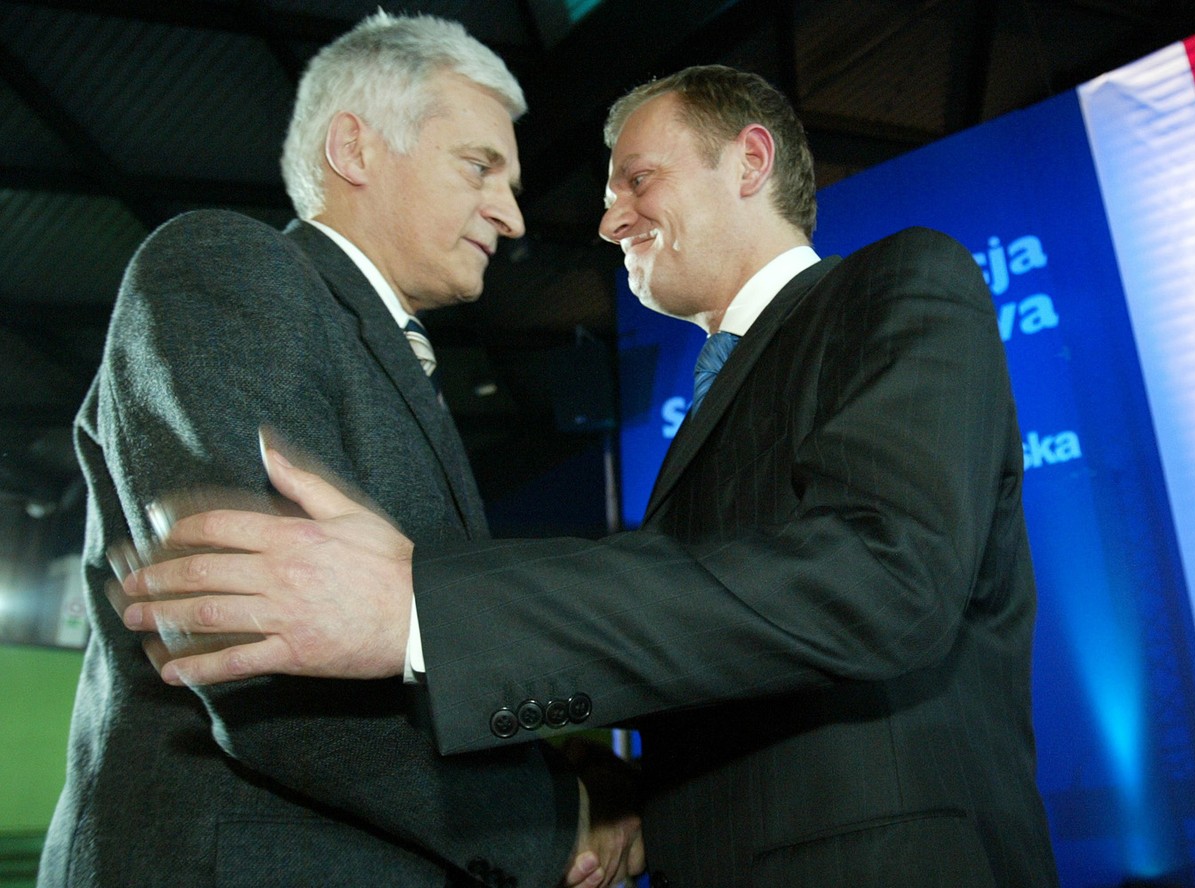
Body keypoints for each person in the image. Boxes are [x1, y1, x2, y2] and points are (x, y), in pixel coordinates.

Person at [119, 65, 1060, 887]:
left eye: (639, 180)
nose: (608, 222)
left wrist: (420, 612)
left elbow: (885, 577)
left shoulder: (902, 282)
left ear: (749, 161)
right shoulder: (712, 405)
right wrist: (595, 792)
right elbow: (726, 647)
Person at [42, 11, 641, 888]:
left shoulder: (373, 346)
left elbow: (398, 655)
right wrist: (552, 819)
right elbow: (266, 656)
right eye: (480, 166)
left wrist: (554, 767)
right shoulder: (227, 268)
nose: (512, 216)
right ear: (354, 148)